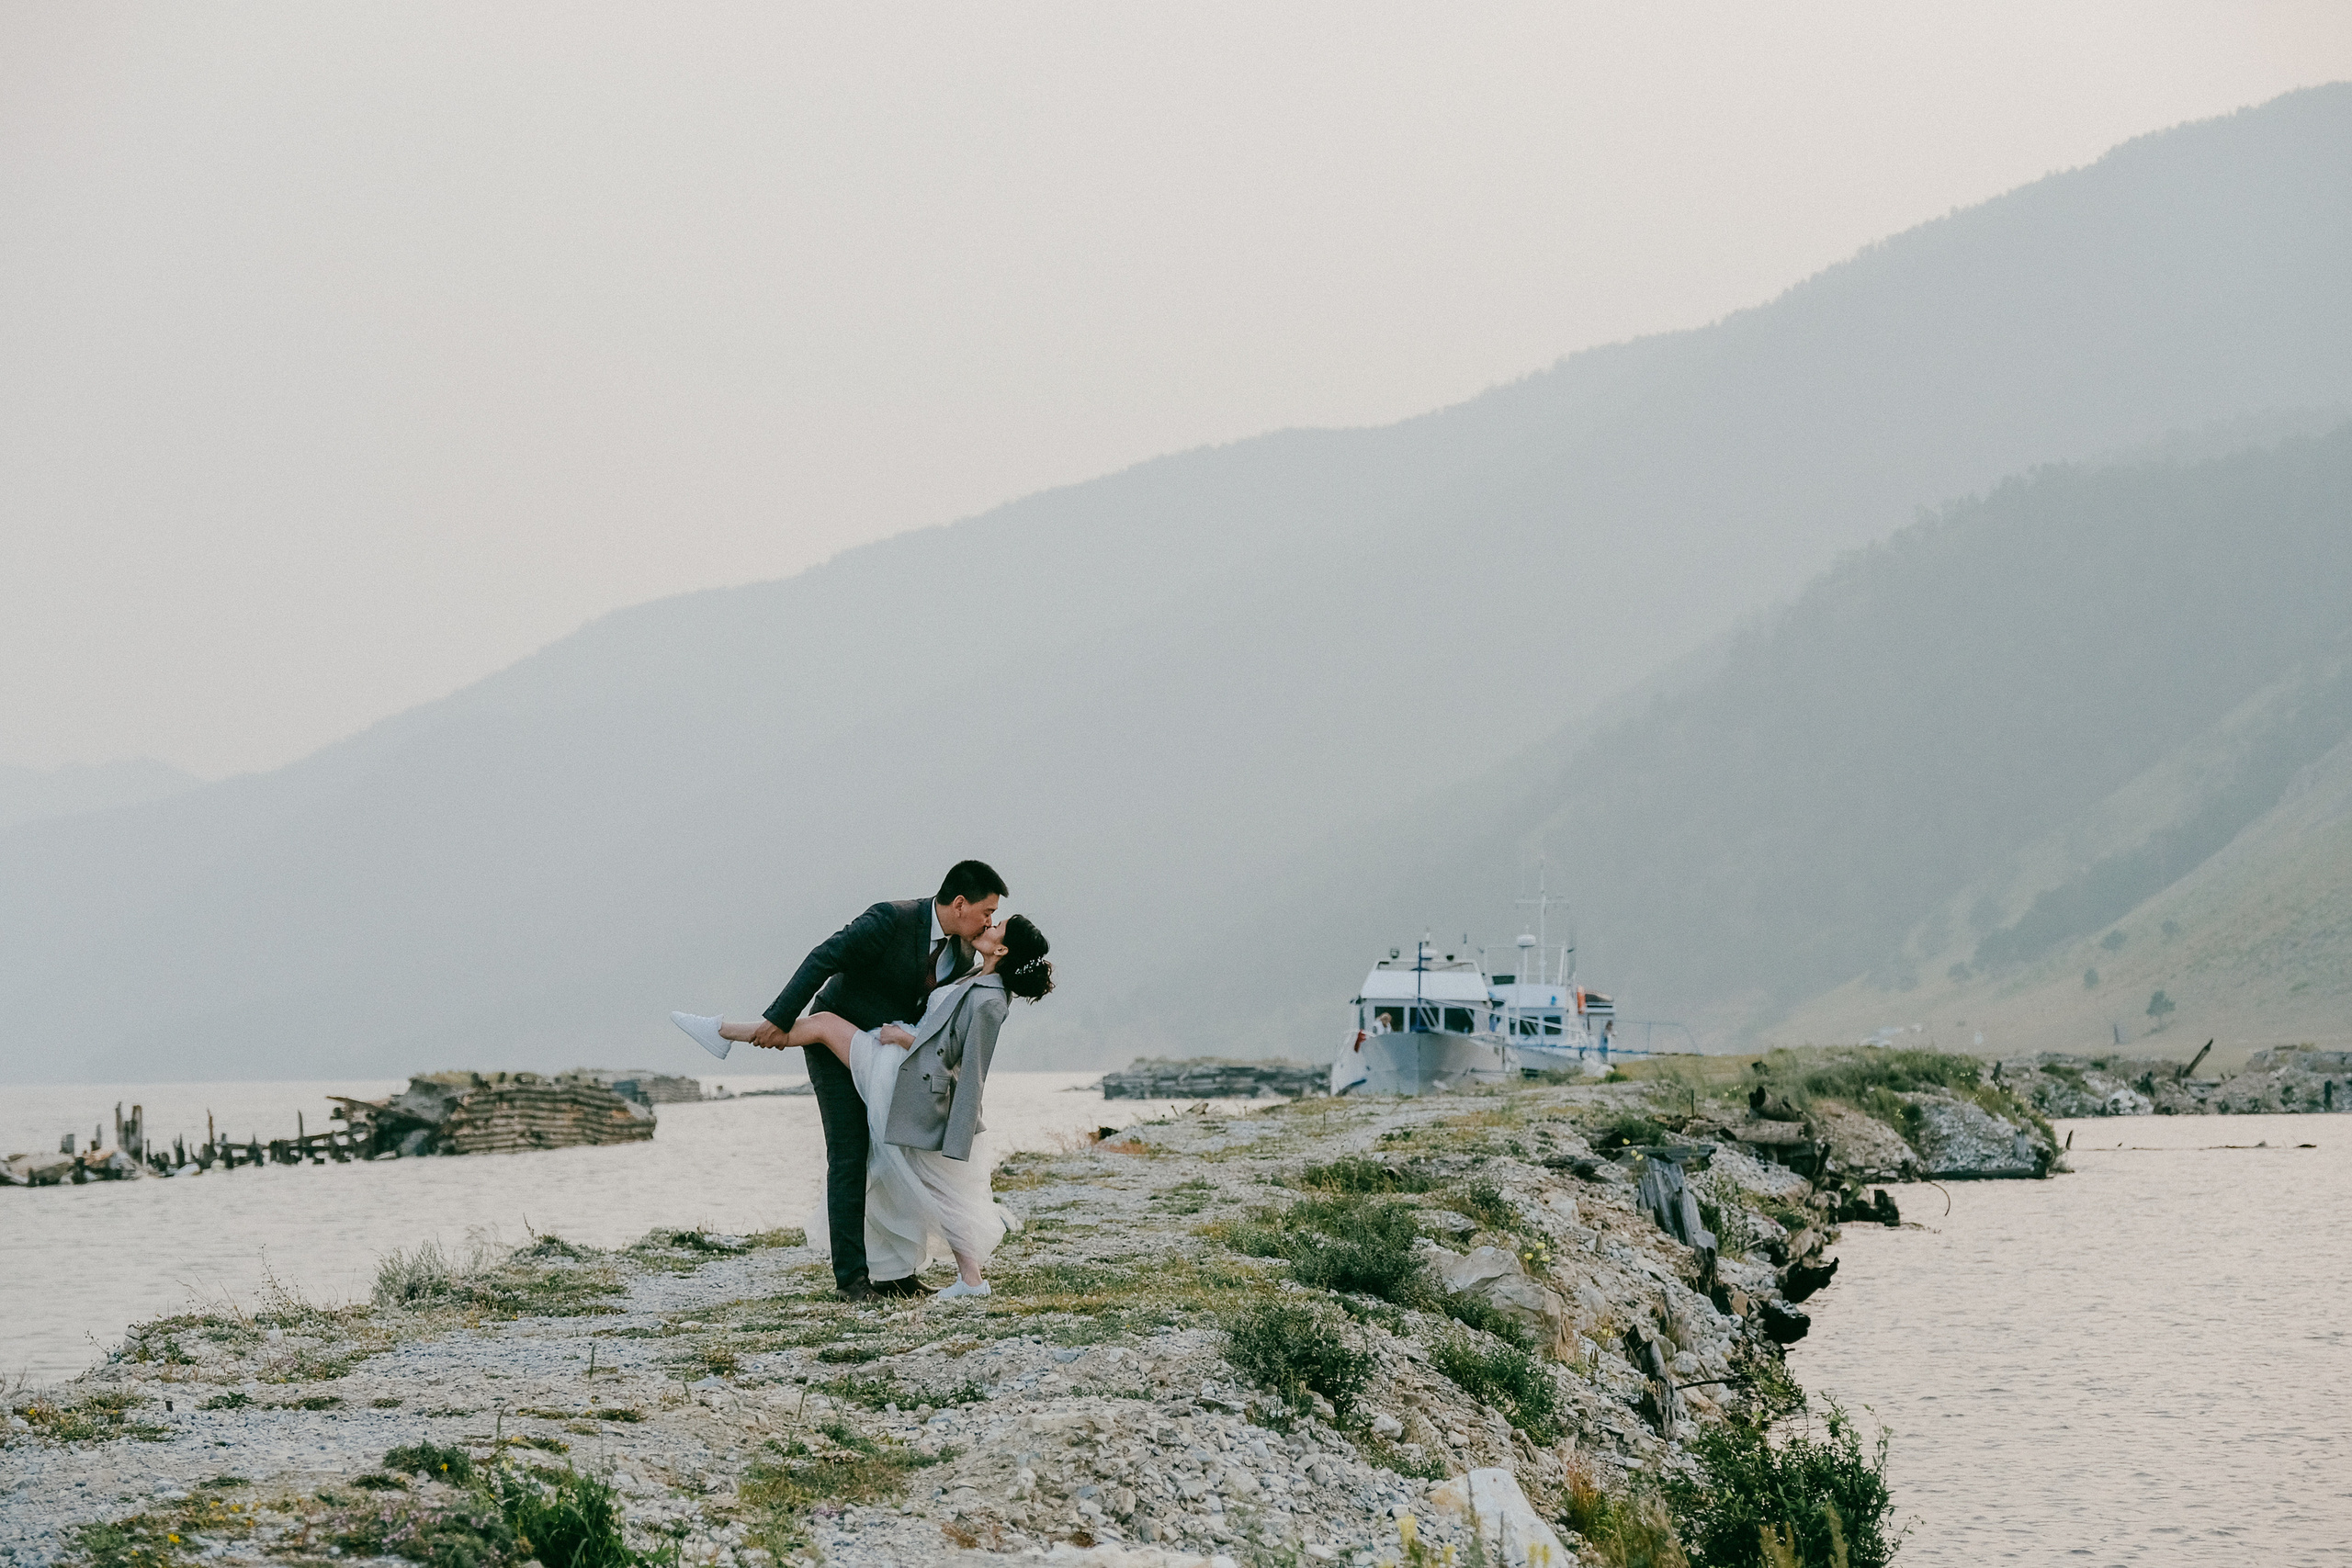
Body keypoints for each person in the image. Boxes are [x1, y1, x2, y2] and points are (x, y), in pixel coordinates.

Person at [669, 859, 1007, 1301]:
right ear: (960, 903)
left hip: (890, 1060)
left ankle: (896, 1274)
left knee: (891, 1160)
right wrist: (779, 1016)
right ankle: (851, 1280)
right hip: (837, 1045)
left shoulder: (964, 952)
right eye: (987, 911)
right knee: (850, 1154)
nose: (990, 921)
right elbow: (823, 957)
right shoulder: (891, 919)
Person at [756, 914, 1054, 1299]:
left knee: (939, 1187)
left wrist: (904, 1042)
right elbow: (941, 1034)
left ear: (1002, 948)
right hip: (910, 1081)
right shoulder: (974, 975)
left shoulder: (991, 1000)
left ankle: (734, 1032)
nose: (989, 925)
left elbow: (967, 1066)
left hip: (924, 1093)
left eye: (998, 927)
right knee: (909, 1178)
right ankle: (908, 1272)